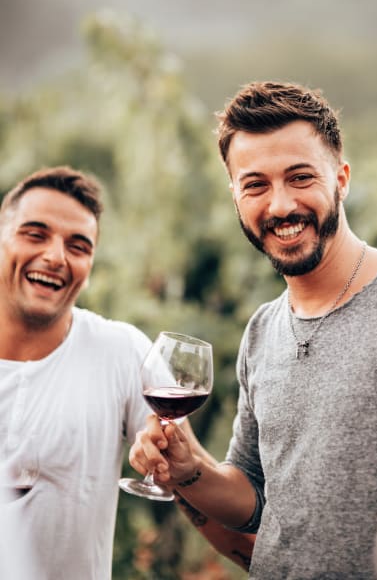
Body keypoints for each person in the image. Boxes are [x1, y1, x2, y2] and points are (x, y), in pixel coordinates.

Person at [130, 81, 377, 579]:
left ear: (341, 178)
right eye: (256, 184)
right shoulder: (262, 330)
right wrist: (188, 473)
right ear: (236, 197)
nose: (280, 205)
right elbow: (254, 498)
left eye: (300, 177)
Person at [0, 166, 254, 579]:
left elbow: (192, 480)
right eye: (35, 234)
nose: (55, 256)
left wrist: (277, 563)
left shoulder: (120, 352)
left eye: (78, 245)